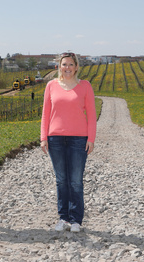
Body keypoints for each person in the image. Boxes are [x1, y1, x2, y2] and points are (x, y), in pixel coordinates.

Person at [40, 52, 97, 233]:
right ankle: (63, 217)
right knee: (61, 180)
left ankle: (76, 219)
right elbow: (45, 114)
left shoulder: (85, 86)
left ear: (77, 67)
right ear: (59, 66)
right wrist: (43, 138)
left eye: (71, 64)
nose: (67, 68)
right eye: (64, 64)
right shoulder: (51, 86)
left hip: (78, 139)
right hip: (55, 139)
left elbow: (92, 115)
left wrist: (91, 139)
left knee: (75, 181)